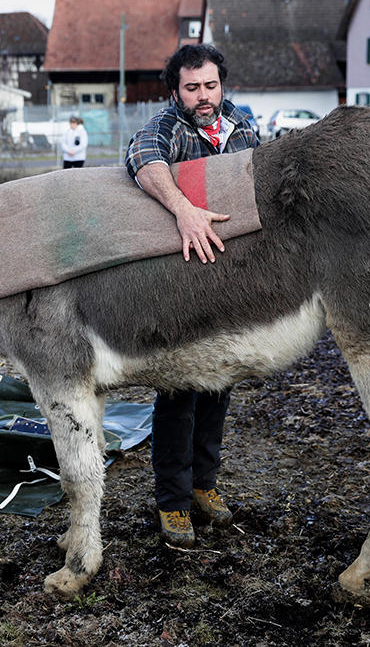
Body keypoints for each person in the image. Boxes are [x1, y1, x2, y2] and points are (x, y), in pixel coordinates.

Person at [123, 44, 260, 548]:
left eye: (210, 85)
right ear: (175, 91)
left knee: (218, 386)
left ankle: (204, 486)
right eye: (192, 87)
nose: (203, 97)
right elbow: (141, 158)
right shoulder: (167, 128)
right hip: (179, 282)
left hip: (227, 279)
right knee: (179, 392)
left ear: (221, 85)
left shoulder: (242, 127)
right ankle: (173, 504)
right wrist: (183, 209)